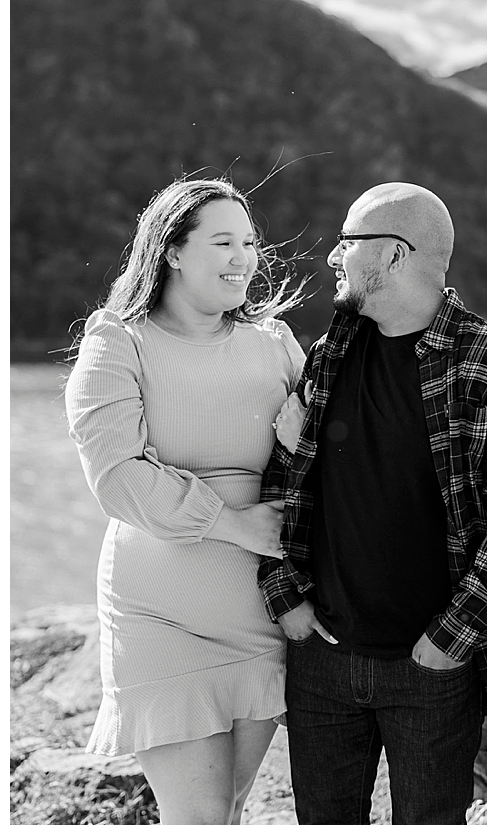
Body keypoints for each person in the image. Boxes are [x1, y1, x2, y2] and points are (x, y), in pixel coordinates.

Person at [254, 182, 487, 824]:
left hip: (432, 672)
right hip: (321, 661)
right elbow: (285, 477)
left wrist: (449, 643)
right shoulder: (329, 354)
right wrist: (286, 598)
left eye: (348, 242)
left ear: (393, 255)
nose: (334, 257)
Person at [65, 178, 306, 823]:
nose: (244, 258)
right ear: (172, 250)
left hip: (261, 617)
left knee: (224, 809)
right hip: (161, 616)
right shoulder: (118, 341)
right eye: (223, 242)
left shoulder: (276, 342)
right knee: (197, 818)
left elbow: (327, 456)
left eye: (250, 243)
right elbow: (116, 477)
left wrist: (299, 440)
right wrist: (234, 524)